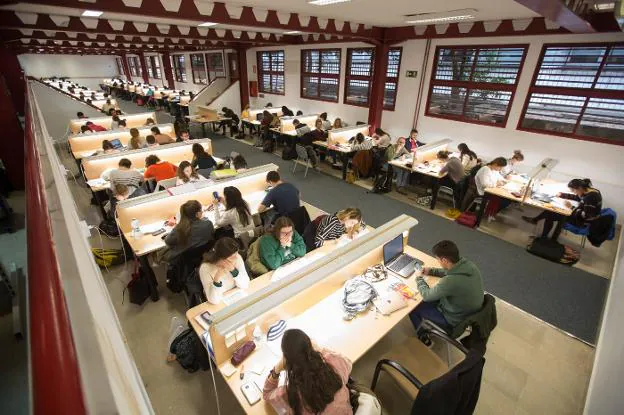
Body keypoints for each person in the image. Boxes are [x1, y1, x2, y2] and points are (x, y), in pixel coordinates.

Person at [263, 329, 352, 415]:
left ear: (287, 361)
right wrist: (320, 350)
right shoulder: (335, 363)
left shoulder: (292, 393)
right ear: (310, 346)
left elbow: (267, 395)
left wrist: (277, 369)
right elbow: (348, 364)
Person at [410, 240, 484, 336]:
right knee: (432, 295)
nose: (438, 261)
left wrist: (419, 278)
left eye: (438, 259)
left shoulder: (450, 281)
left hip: (453, 321)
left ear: (444, 260)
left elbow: (427, 296)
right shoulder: (469, 266)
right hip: (467, 313)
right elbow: (450, 271)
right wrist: (431, 271)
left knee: (414, 307)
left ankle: (423, 336)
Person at [522, 179, 602, 241]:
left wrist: (571, 208)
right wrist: (562, 195)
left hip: (583, 221)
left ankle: (546, 238)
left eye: (574, 190)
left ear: (580, 188)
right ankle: (536, 222)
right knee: (551, 211)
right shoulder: (589, 191)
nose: (574, 193)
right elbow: (578, 197)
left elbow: (586, 216)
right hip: (582, 214)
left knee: (551, 215)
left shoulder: (591, 197)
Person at [199, 237, 250, 305]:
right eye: (232, 257)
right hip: (221, 303)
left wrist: (233, 270)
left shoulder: (237, 258)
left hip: (237, 296)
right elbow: (214, 300)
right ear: (221, 258)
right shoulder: (205, 268)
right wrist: (217, 277)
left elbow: (245, 285)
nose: (236, 257)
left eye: (237, 253)